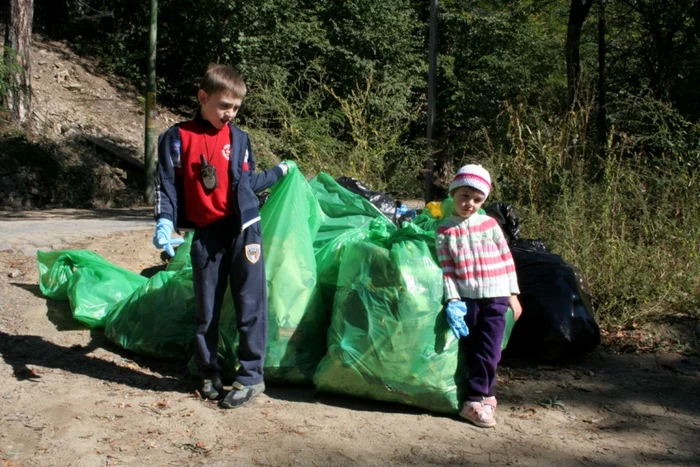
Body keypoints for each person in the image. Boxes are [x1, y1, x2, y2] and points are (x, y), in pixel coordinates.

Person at [152, 63, 289, 409]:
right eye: (224, 105)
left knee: (250, 303)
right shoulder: (176, 138)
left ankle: (251, 376)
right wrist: (165, 222)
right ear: (203, 97)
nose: (230, 114)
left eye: (236, 108)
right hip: (207, 235)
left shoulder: (240, 139)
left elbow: (244, 185)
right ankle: (208, 371)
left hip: (244, 230)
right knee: (207, 308)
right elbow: (166, 186)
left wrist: (278, 172)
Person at [435, 164, 522, 428]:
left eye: (477, 199)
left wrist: (513, 295)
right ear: (453, 193)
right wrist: (453, 300)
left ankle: (475, 399)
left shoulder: (490, 224)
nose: (469, 204)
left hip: (496, 295)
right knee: (472, 346)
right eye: (464, 196)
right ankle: (484, 391)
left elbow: (507, 260)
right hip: (467, 298)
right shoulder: (444, 230)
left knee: (491, 347)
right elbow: (447, 271)